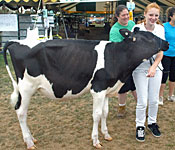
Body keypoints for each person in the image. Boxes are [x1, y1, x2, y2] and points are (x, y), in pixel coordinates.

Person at [132, 3, 164, 142]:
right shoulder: (136, 28)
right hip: (140, 68)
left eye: (156, 15)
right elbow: (132, 50)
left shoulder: (160, 29)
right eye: (151, 15)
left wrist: (154, 66)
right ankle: (140, 125)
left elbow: (161, 51)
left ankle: (152, 122)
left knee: (154, 100)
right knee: (142, 101)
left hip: (156, 67)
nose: (153, 18)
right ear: (145, 14)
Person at [109, 5, 137, 117]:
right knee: (123, 86)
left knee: (136, 85)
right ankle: (122, 107)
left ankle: (142, 106)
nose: (126, 17)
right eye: (123, 15)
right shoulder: (115, 30)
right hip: (122, 63)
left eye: (127, 14)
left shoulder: (132, 24)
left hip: (135, 60)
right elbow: (117, 49)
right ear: (117, 16)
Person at [159, 7, 175, 105]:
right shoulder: (164, 27)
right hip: (165, 55)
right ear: (170, 16)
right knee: (164, 76)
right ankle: (160, 96)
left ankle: (171, 95)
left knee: (173, 76)